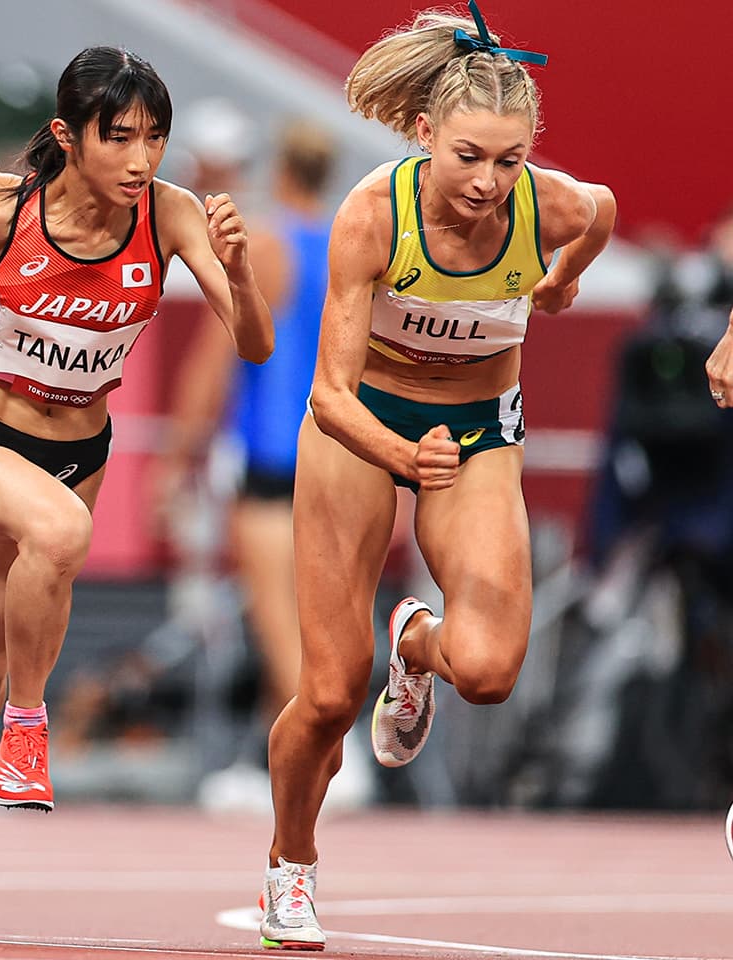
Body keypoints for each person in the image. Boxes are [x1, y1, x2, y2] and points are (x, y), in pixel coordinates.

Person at [0, 46, 275, 936]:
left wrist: (236, 269)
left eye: (155, 138)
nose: (141, 159)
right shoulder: (4, 209)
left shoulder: (171, 216)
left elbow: (255, 348)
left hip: (79, 454)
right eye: (118, 138)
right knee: (58, 535)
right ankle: (30, 724)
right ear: (66, 137)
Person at [259, 3, 617, 951]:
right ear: (425, 135)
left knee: (493, 673)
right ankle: (291, 867)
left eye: (509, 160)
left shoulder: (552, 205)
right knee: (332, 693)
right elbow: (328, 394)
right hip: (363, 426)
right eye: (468, 157)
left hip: (479, 431)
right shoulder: (375, 212)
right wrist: (398, 455)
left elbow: (604, 212)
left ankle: (414, 642)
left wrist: (564, 278)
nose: (489, 183)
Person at [158, 120, 338, 805]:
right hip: (338, 453)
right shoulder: (354, 243)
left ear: (279, 172)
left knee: (279, 622)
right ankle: (282, 765)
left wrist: (173, 461)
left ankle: (320, 766)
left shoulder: (262, 247)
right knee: (318, 618)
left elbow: (212, 367)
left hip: (271, 456)